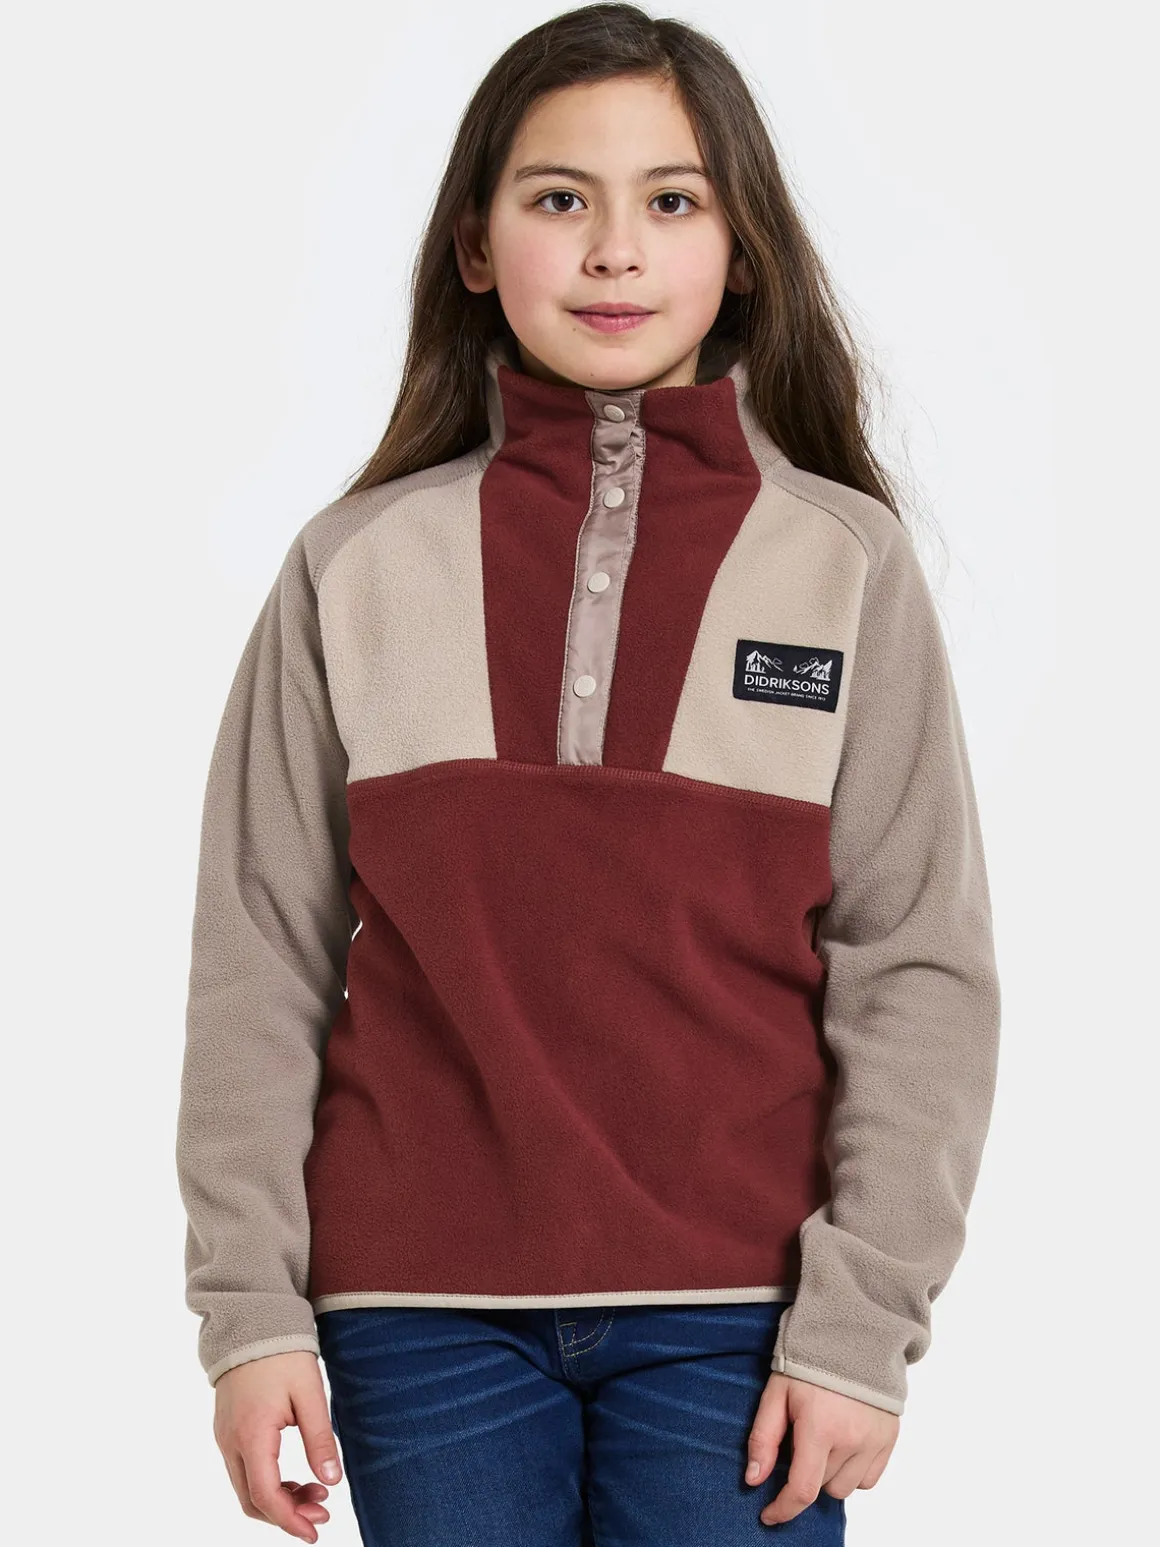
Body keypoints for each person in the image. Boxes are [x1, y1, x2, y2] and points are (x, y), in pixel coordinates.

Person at [175, 5, 1001, 1543]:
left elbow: (918, 965)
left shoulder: (843, 562)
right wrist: (251, 1313)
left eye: (673, 200)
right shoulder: (355, 564)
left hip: (744, 1314)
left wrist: (860, 1325)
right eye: (560, 197)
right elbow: (258, 959)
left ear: (742, 250)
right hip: (419, 1311)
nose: (616, 249)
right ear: (475, 245)